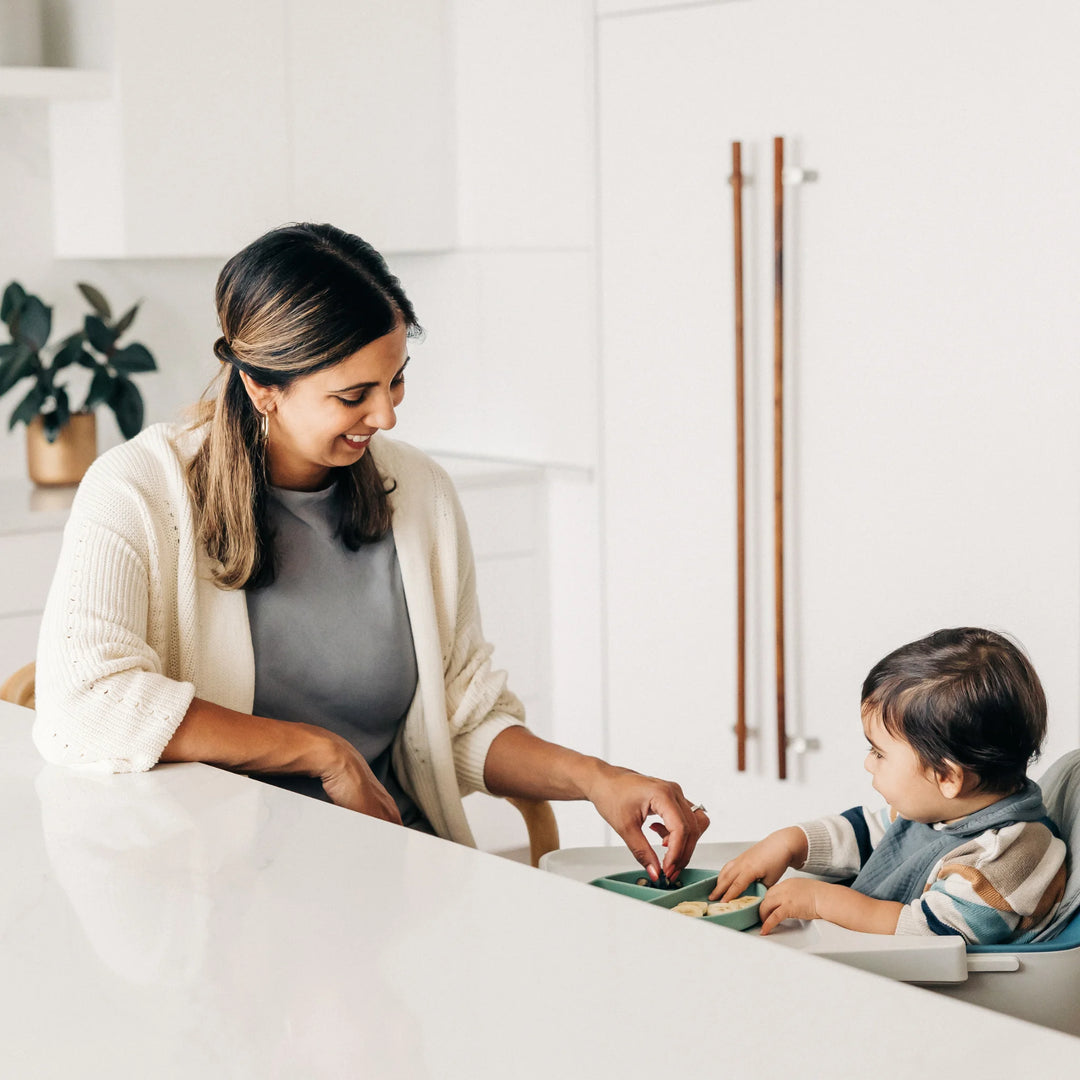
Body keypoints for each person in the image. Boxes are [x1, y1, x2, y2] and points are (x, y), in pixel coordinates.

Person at [33, 222, 708, 881]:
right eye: (354, 395)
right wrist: (320, 752)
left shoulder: (421, 496)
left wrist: (600, 780)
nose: (386, 416)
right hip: (227, 890)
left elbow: (463, 720)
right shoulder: (138, 492)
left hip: (401, 875)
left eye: (396, 380)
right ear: (262, 387)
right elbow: (86, 700)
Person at [712, 627, 1067, 942]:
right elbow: (866, 835)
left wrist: (822, 901)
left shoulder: (1005, 855)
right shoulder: (941, 810)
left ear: (947, 777)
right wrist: (789, 843)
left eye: (879, 753)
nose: (869, 762)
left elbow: (933, 931)